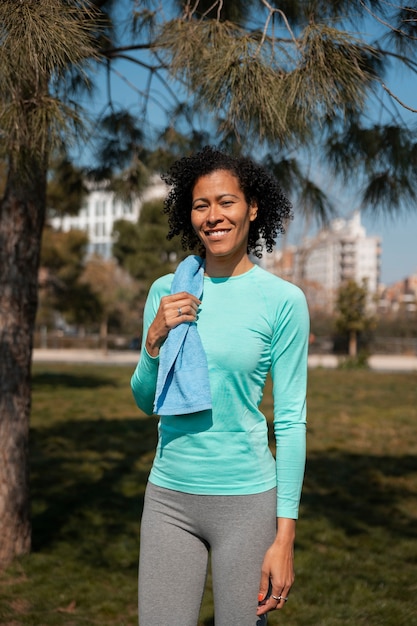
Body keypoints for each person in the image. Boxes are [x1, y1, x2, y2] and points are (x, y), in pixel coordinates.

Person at [131, 146, 309, 626]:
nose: (213, 217)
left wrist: (284, 536)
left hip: (247, 504)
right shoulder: (167, 292)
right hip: (169, 497)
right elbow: (146, 400)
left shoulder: (283, 301)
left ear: (252, 207)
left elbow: (291, 421)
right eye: (201, 205)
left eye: (226, 202)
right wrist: (153, 341)